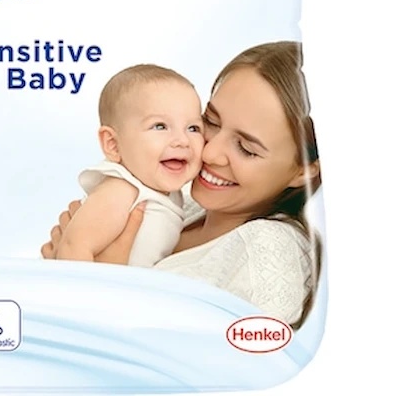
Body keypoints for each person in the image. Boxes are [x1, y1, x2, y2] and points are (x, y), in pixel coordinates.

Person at [43, 42, 322, 329]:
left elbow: (243, 357)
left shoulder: (268, 252)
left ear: (304, 169)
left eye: (246, 149)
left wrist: (102, 279)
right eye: (209, 122)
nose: (209, 153)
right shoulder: (179, 201)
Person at [56, 64, 204, 267]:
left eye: (193, 128)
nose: (182, 140)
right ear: (113, 144)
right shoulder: (121, 189)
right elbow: (73, 247)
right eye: (160, 126)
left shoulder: (172, 195)